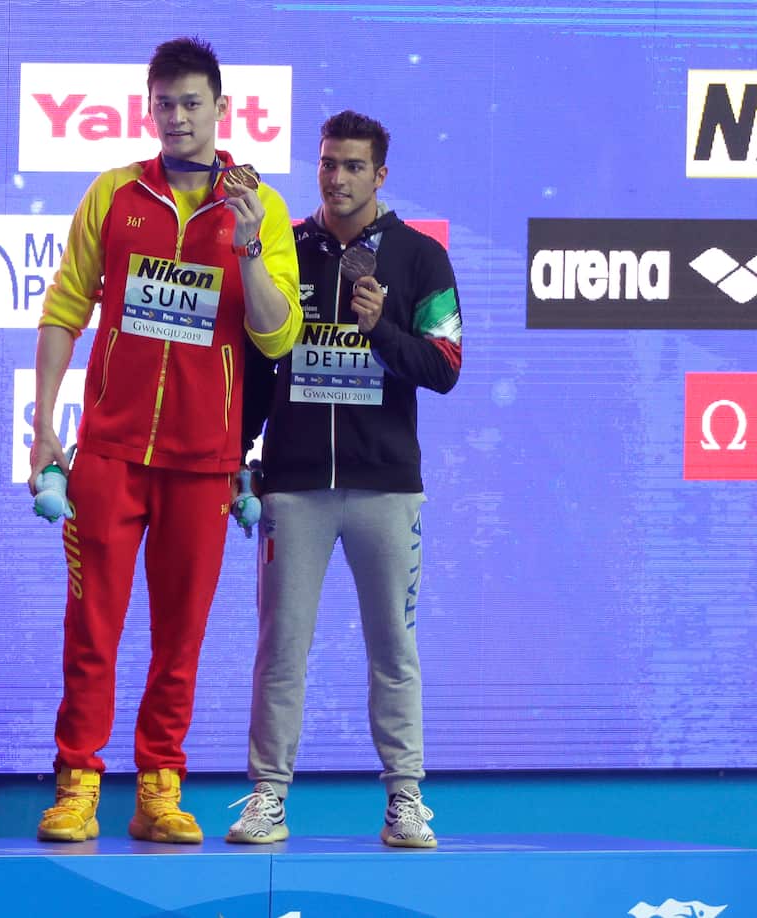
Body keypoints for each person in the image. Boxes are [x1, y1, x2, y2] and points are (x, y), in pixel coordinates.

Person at [28, 36, 302, 844]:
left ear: (222, 109)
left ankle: (159, 788)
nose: (177, 117)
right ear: (149, 109)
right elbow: (65, 308)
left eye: (192, 103)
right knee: (92, 630)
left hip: (205, 462)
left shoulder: (263, 207)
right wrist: (42, 423)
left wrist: (247, 245)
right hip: (109, 456)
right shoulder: (114, 193)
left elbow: (277, 334)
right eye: (164, 104)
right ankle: (77, 784)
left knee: (180, 639)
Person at [226, 111, 463, 848]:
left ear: (380, 174)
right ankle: (267, 797)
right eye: (329, 163)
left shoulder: (421, 257)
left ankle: (404, 799)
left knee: (393, 648)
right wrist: (237, 453)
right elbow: (259, 364)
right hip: (293, 485)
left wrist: (381, 329)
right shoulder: (287, 249)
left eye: (354, 166)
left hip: (387, 488)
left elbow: (445, 367)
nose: (337, 178)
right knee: (281, 648)